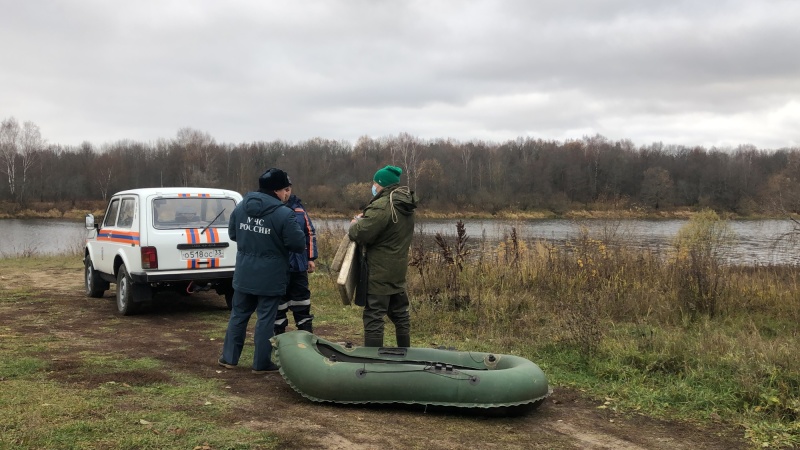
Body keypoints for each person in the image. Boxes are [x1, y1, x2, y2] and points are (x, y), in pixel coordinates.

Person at [219, 168, 305, 373]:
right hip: (271, 276)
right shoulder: (284, 214)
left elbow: (233, 234)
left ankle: (229, 358)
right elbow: (297, 244)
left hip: (244, 272)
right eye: (286, 189)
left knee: (238, 315)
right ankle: (261, 363)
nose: (288, 194)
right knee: (266, 318)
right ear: (277, 190)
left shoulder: (240, 207)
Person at [348, 165, 417, 348]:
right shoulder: (404, 204)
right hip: (398, 270)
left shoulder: (383, 205)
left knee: (374, 316)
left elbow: (362, 233)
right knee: (400, 314)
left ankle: (372, 362)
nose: (373, 186)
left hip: (379, 271)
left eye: (374, 183)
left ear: (380, 184)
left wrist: (356, 223)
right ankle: (405, 353)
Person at [274, 189, 318, 335]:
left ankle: (306, 336)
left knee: (302, 301)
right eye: (283, 189)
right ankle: (278, 338)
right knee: (278, 304)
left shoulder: (299, 209)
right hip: (278, 266)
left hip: (299, 264)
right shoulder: (270, 207)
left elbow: (309, 233)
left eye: (289, 189)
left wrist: (311, 258)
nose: (286, 192)